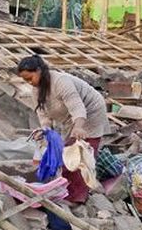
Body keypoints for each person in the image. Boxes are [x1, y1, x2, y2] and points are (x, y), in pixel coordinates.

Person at [16, 55, 110, 203]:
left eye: (30, 78)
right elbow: (43, 114)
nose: (29, 83)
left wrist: (79, 127)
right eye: (25, 80)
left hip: (90, 112)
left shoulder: (61, 82)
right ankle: (66, 189)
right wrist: (44, 130)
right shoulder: (36, 90)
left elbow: (78, 108)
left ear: (39, 70)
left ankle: (78, 197)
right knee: (67, 154)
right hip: (69, 117)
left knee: (81, 155)